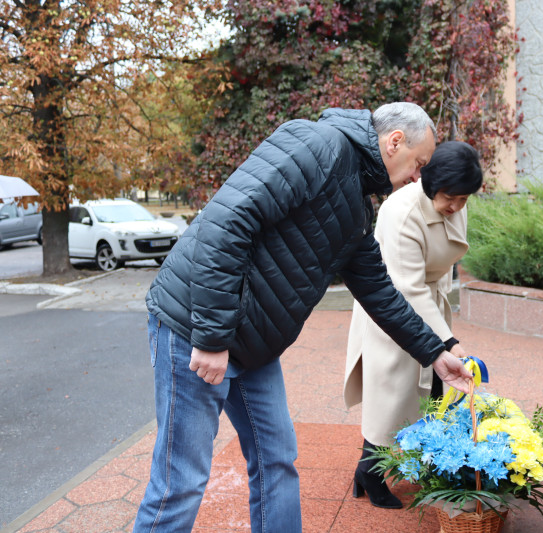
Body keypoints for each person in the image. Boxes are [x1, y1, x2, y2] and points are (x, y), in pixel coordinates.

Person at [133, 103, 474, 533]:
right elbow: (225, 223)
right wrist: (212, 338)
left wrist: (435, 353)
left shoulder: (357, 206)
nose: (418, 177)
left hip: (254, 343)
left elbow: (379, 292)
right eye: (419, 163)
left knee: (277, 459)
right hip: (194, 324)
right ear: (394, 142)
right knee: (181, 481)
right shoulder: (317, 145)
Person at [343, 141, 483, 508]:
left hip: (427, 305)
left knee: (430, 390)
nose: (456, 207)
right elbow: (409, 288)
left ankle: (420, 462)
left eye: (464, 199)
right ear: (430, 182)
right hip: (392, 310)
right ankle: (370, 472)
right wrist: (449, 342)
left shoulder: (452, 201)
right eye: (450, 198)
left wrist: (445, 338)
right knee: (391, 396)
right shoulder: (401, 213)